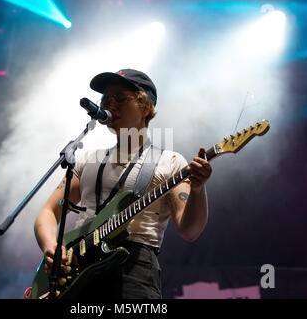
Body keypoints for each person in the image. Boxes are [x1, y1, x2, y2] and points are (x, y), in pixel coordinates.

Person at [34, 69, 212, 299]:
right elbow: (48, 212)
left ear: (145, 106)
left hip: (134, 272)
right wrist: (53, 247)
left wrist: (198, 189)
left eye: (120, 98)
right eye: (106, 99)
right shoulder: (88, 159)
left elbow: (189, 230)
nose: (110, 105)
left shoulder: (170, 162)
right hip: (77, 273)